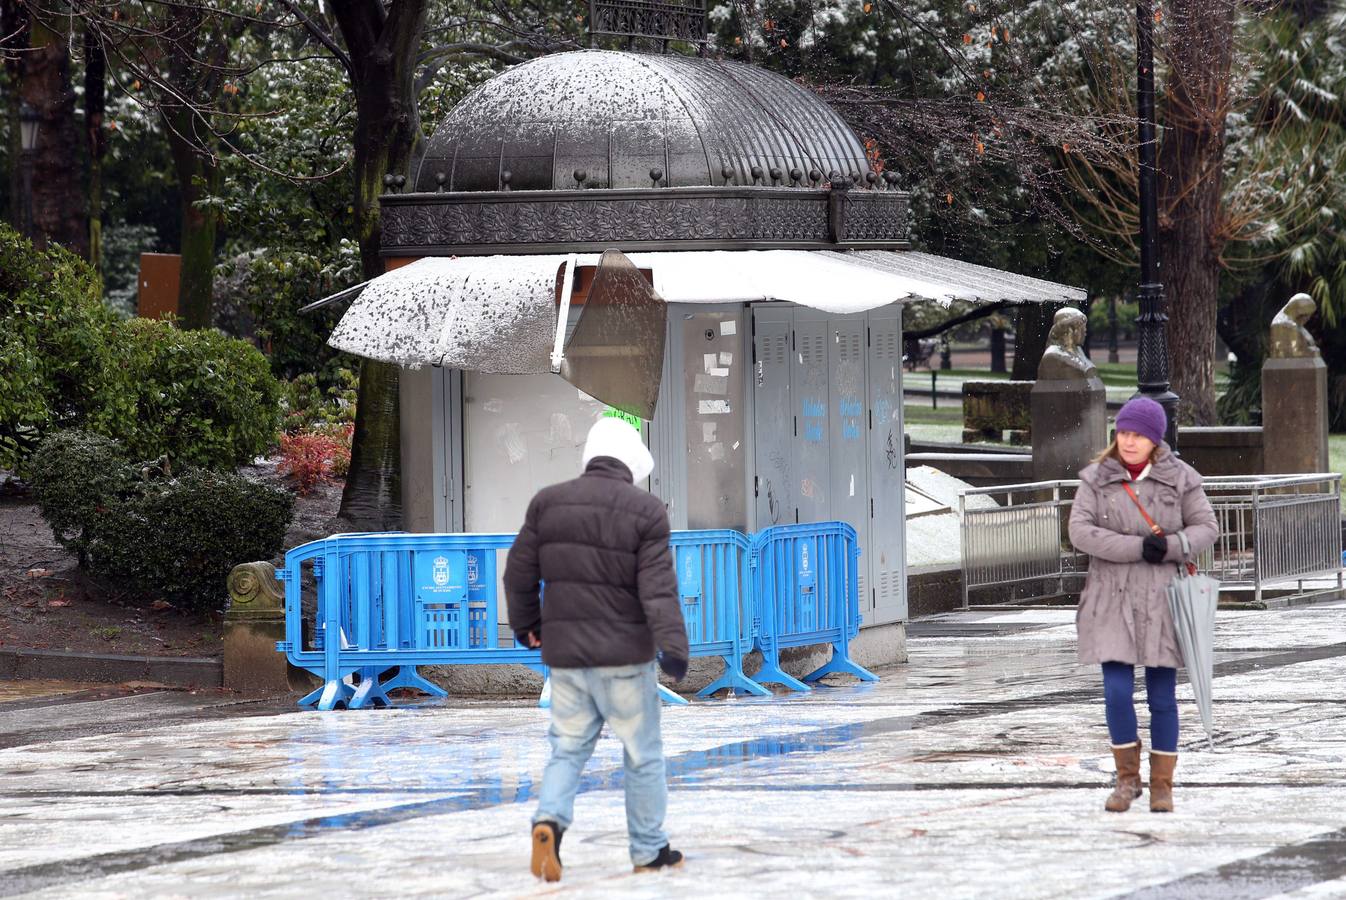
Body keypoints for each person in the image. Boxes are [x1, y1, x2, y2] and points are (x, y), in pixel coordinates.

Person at [504, 416, 690, 881]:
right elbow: (658, 589)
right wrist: (673, 646)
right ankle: (648, 851)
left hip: (566, 658)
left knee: (567, 750)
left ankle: (548, 823)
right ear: (630, 463)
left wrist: (529, 626)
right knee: (641, 754)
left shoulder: (548, 503)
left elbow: (517, 573)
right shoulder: (645, 511)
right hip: (625, 659)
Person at [1068, 397, 1218, 813]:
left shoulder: (1181, 478)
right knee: (1116, 693)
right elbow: (1080, 531)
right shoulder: (1096, 479)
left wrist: (1171, 546)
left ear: (1155, 440)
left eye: (1138, 436)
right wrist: (1137, 547)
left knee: (1162, 697)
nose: (1129, 442)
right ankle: (1126, 780)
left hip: (1162, 600)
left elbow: (1207, 526)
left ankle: (1162, 785)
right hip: (1110, 597)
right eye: (1123, 434)